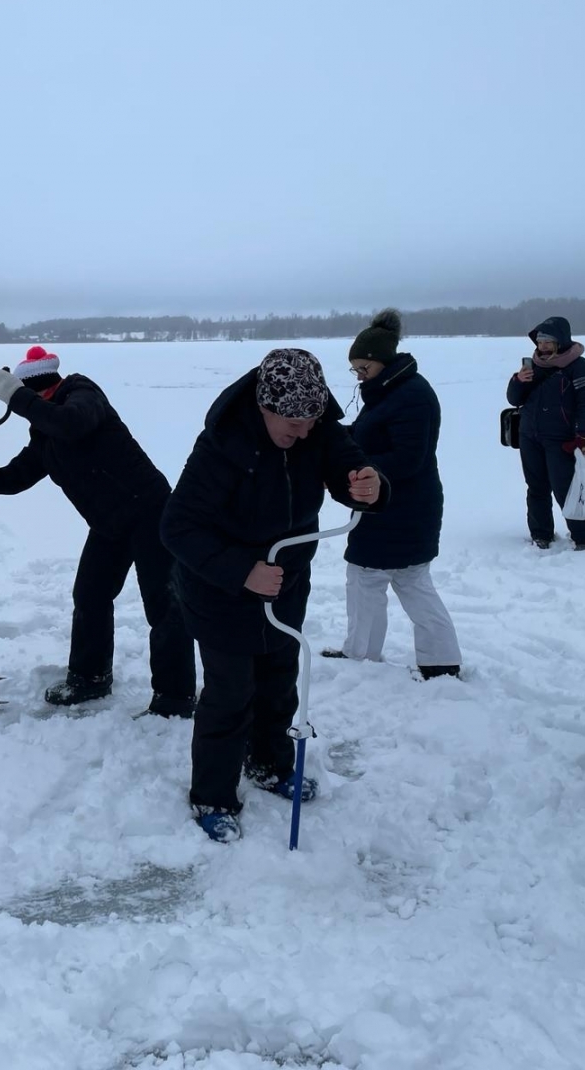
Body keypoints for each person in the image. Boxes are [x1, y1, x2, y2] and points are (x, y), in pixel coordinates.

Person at [161, 348, 387, 843]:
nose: (305, 433)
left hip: (284, 585)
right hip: (220, 588)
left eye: (312, 421)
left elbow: (348, 466)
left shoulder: (317, 425)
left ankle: (268, 763)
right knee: (230, 692)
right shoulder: (223, 445)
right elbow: (177, 527)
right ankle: (212, 795)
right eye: (292, 424)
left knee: (279, 680)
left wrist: (367, 486)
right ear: (264, 407)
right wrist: (243, 572)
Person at [0, 347, 196, 717]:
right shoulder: (45, 436)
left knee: (164, 606)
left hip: (149, 511)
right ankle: (90, 677)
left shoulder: (83, 395)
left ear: (41, 390)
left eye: (27, 398)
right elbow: (14, 478)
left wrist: (16, 396)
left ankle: (175, 698)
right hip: (108, 524)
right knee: (89, 595)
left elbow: (71, 423)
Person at [324, 309, 461, 679]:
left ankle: (368, 657)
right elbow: (376, 434)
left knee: (374, 578)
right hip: (397, 507)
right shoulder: (391, 391)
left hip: (401, 508)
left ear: (382, 362)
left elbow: (407, 458)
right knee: (397, 580)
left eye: (362, 369)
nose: (358, 377)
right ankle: (438, 661)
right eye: (355, 371)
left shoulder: (410, 395)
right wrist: (341, 440)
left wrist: (354, 466)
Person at [506, 318, 585, 549]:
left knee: (566, 488)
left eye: (548, 341)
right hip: (529, 435)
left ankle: (584, 537)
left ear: (561, 341)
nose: (543, 346)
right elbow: (513, 399)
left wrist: (584, 435)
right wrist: (518, 381)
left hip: (561, 439)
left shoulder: (580, 366)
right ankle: (541, 534)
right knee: (536, 487)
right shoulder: (533, 367)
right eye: (540, 341)